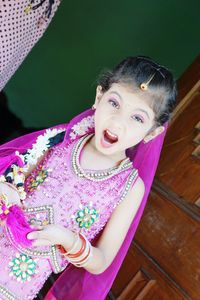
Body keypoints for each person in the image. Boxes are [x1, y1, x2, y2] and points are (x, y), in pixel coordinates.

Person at [0, 56, 177, 300]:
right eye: (114, 103)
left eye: (137, 118)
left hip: (16, 287)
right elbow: (16, 175)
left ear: (152, 133)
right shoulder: (63, 138)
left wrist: (69, 241)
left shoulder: (129, 187)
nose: (118, 121)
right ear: (98, 97)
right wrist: (5, 190)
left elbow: (102, 260)